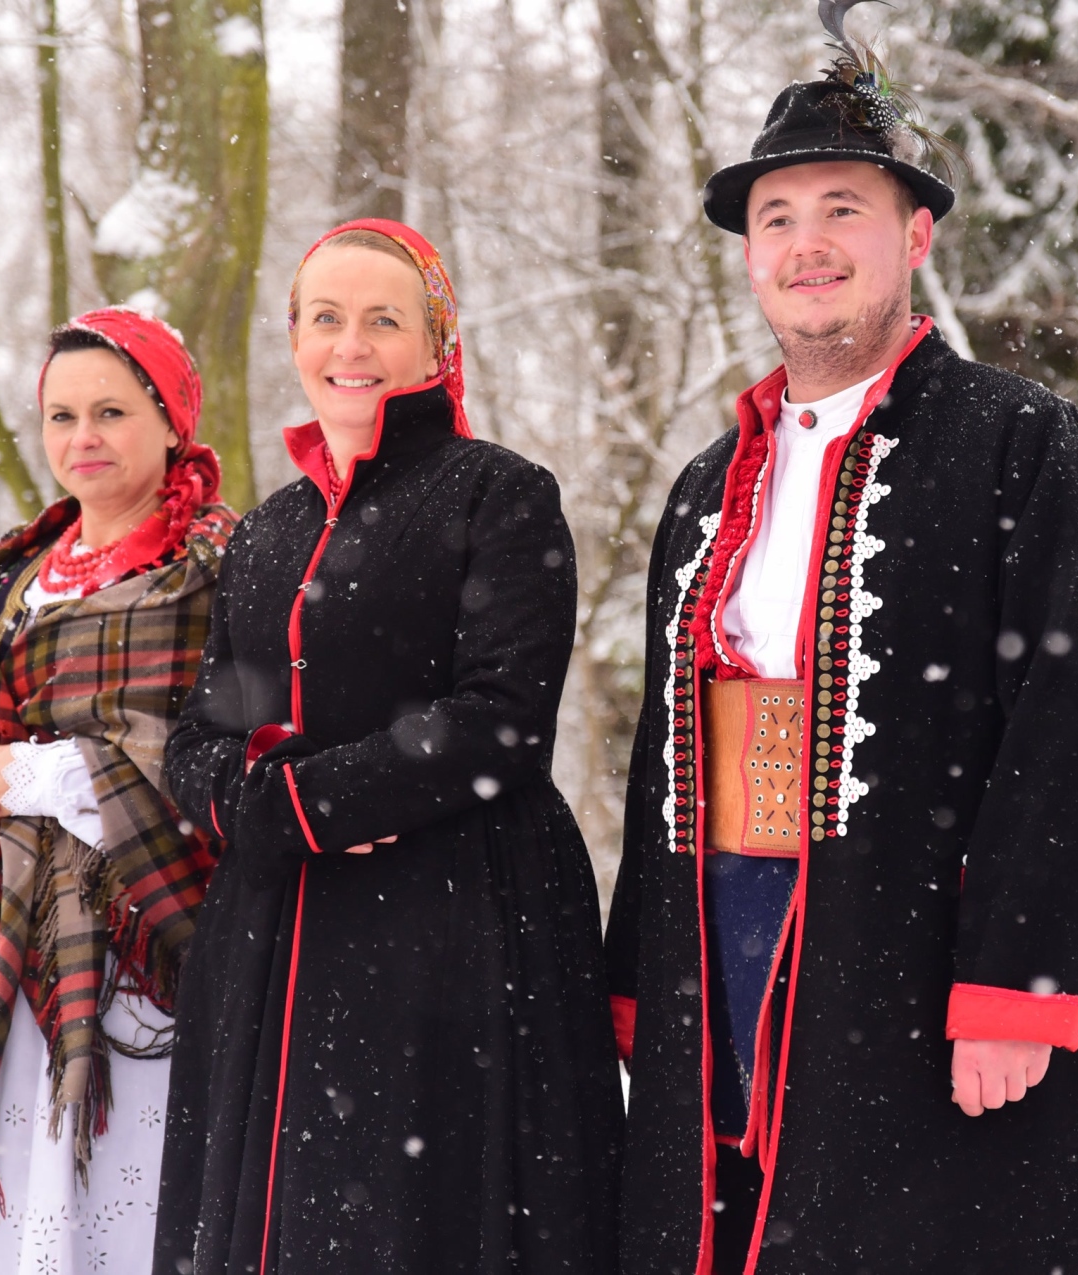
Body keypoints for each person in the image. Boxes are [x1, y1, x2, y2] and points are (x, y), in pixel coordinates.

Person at [603, 12, 1078, 1274]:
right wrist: (641, 974)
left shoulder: (1018, 441)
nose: (807, 245)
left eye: (842, 210)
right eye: (777, 218)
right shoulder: (704, 484)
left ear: (915, 236)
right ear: (750, 255)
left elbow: (1074, 723)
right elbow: (661, 751)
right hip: (723, 926)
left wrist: (1017, 983)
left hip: (914, 938)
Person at [153, 218, 622, 1275]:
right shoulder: (266, 533)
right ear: (293, 338)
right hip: (273, 945)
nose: (350, 345)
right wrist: (263, 807)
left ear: (435, 342)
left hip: (454, 928)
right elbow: (203, 735)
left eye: (382, 320)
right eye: (325, 318)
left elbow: (502, 717)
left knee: (419, 1220)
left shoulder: (498, 494)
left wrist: (316, 802)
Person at [0, 309, 237, 1275]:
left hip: (127, 953)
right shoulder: (11, 578)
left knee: (111, 1208)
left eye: (112, 411)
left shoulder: (214, 571)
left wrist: (38, 773)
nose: (83, 437)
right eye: (61, 416)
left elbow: (211, 754)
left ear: (172, 421)